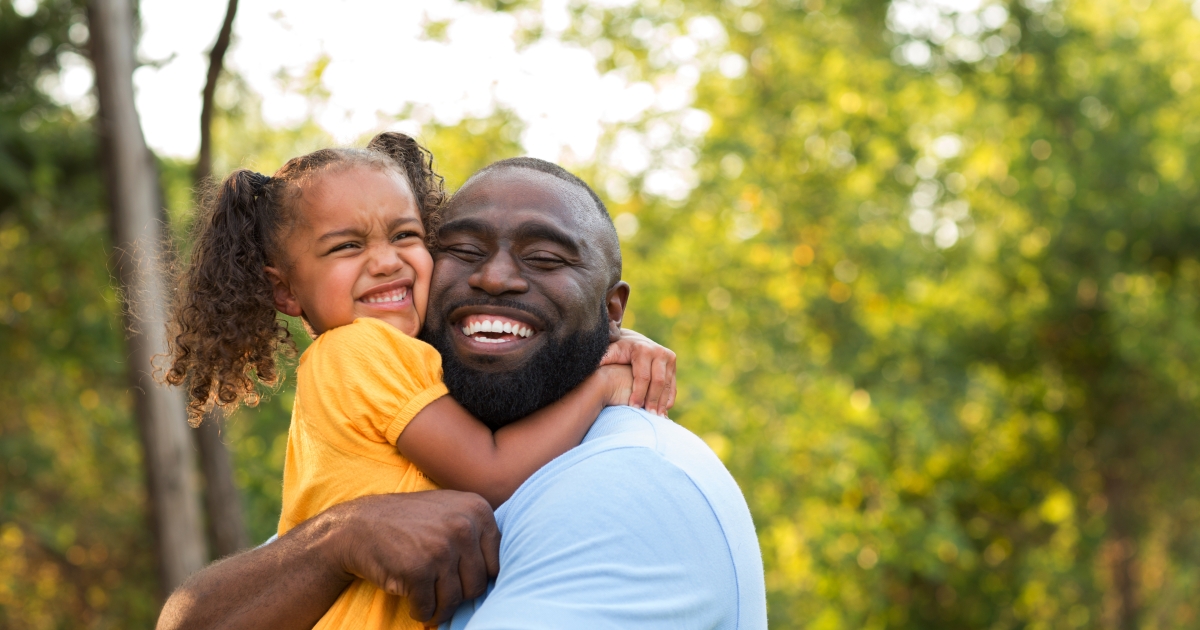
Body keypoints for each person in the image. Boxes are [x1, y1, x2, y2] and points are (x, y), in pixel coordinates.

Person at [157, 156, 766, 630]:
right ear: (286, 291)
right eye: (463, 250)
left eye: (547, 257)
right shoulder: (392, 441)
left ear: (611, 310)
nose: (493, 276)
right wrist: (338, 539)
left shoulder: (631, 485)